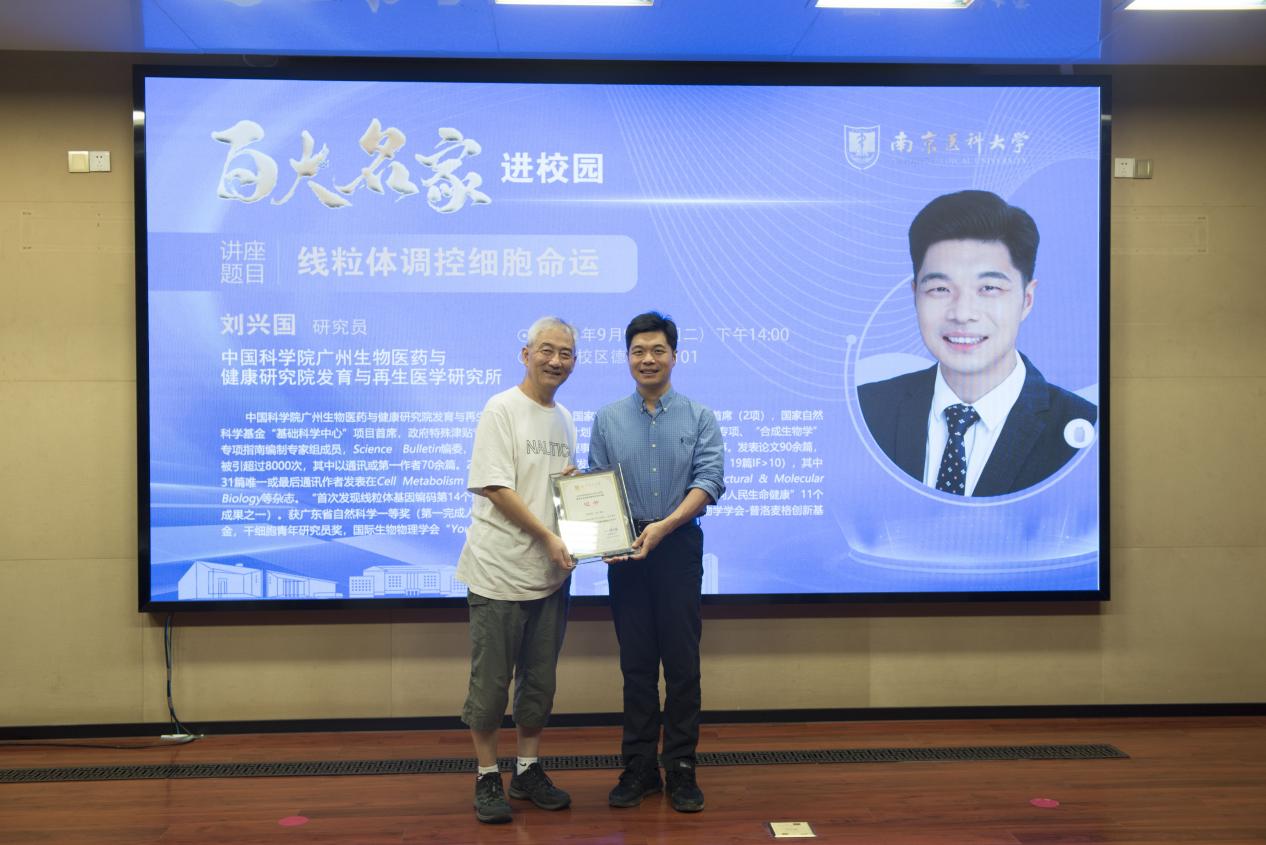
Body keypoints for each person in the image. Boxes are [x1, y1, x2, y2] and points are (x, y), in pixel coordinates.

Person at [858, 190, 1097, 497]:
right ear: (915, 294)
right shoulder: (865, 411)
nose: (962, 313)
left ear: (1026, 299)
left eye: (988, 288)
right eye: (940, 289)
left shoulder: (1083, 427)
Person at [588, 311, 726, 813]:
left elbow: (710, 481)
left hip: (677, 546)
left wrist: (664, 527)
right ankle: (640, 768)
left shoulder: (699, 416)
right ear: (628, 357)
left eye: (657, 350)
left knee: (683, 664)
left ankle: (682, 767)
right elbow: (598, 485)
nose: (648, 359)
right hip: (626, 550)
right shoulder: (607, 419)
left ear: (674, 356)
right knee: (637, 664)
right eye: (638, 351)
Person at [455, 316, 580, 824]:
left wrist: (572, 496)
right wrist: (548, 536)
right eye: (546, 350)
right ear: (525, 354)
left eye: (565, 353)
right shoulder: (501, 408)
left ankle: (527, 769)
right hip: (498, 573)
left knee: (539, 683)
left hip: (549, 577)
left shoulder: (565, 418)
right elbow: (495, 487)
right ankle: (487, 776)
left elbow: (550, 489)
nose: (555, 360)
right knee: (490, 686)